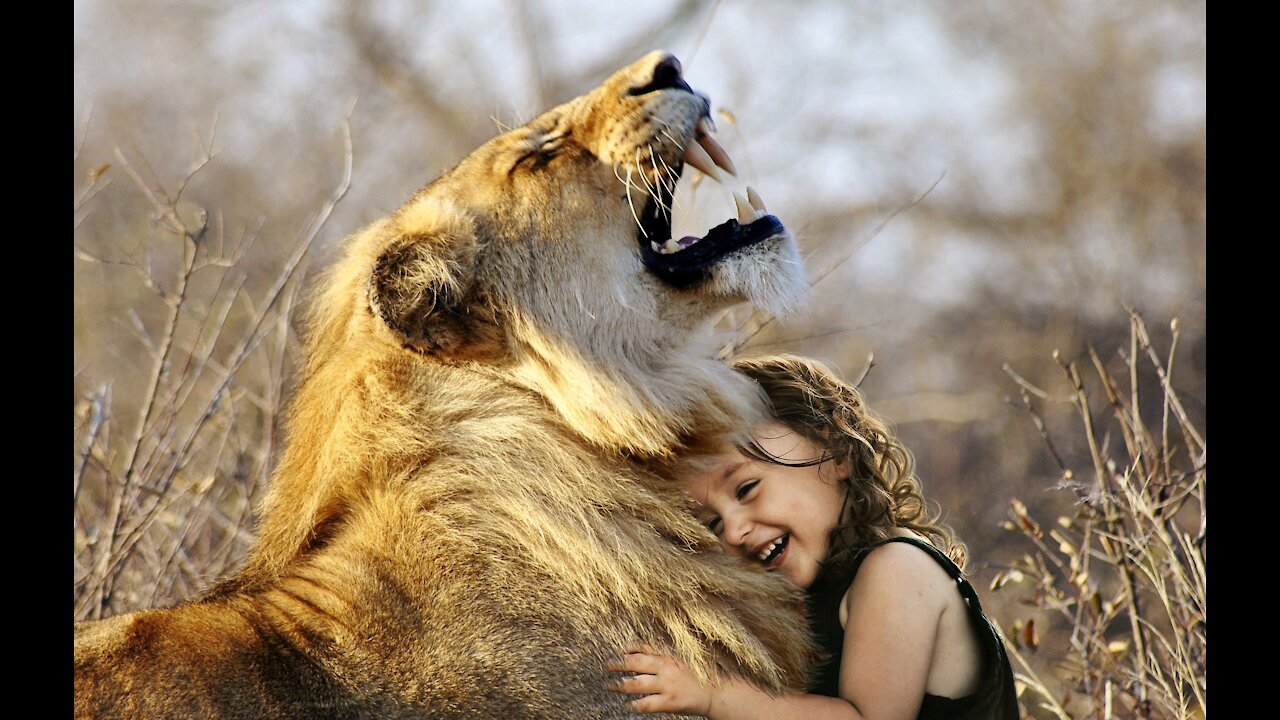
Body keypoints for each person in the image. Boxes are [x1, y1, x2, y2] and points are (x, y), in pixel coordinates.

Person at [606, 354, 1019, 719]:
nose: (734, 530)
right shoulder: (812, 597)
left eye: (747, 489)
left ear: (835, 448)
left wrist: (714, 696)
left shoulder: (898, 569)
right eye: (712, 524)